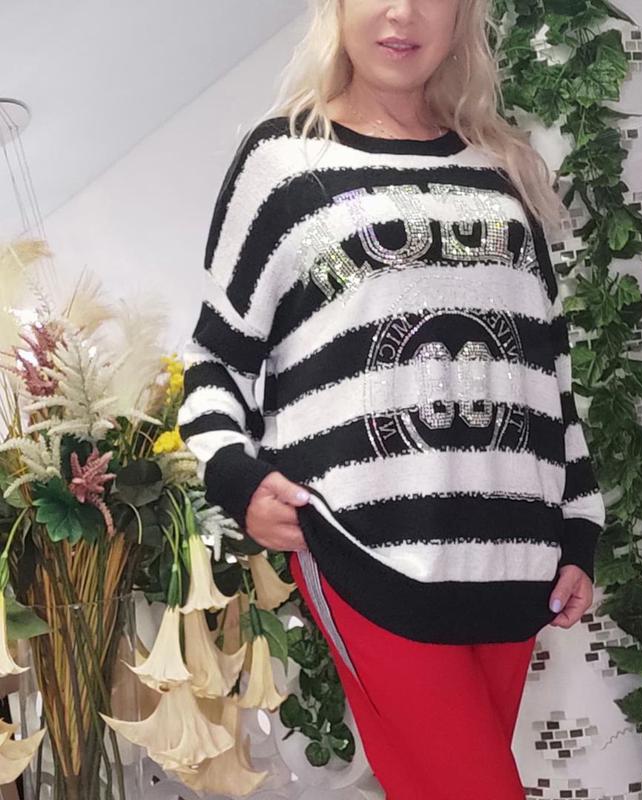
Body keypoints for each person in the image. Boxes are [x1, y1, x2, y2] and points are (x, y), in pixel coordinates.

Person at [177, 0, 606, 797]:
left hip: (516, 560)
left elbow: (549, 372)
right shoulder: (285, 161)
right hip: (369, 548)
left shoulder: (501, 164)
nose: (402, 13)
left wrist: (578, 526)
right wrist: (237, 478)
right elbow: (214, 362)